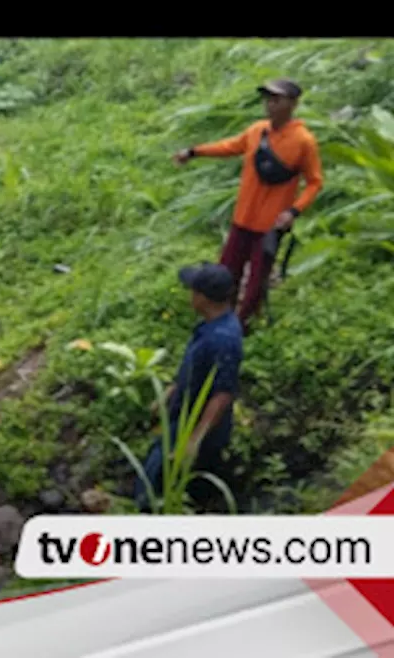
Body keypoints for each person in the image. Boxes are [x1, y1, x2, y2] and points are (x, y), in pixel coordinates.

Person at [172, 78, 325, 335]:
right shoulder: (257, 131)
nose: (270, 104)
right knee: (226, 273)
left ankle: (241, 326)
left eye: (277, 99)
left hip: (269, 225)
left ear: (293, 103)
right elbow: (230, 146)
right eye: (268, 99)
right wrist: (194, 152)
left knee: (256, 280)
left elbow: (315, 182)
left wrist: (293, 211)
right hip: (242, 218)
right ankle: (217, 319)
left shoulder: (303, 141)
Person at [134, 262, 244, 512]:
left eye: (192, 291)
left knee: (155, 489)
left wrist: (194, 440)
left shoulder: (222, 339)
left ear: (203, 297)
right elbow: (197, 372)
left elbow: (222, 393)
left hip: (193, 429)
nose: (189, 296)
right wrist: (169, 393)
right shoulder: (211, 327)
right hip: (180, 418)